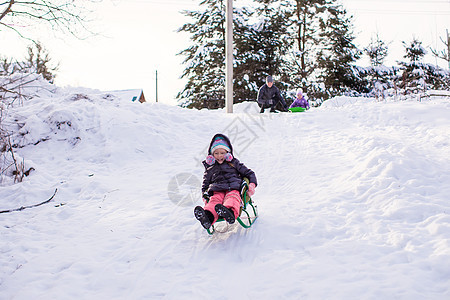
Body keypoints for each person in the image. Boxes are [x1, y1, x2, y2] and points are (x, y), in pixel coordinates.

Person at [194, 133, 257, 230]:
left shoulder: (234, 163)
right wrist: (204, 194)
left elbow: (250, 173)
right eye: (216, 153)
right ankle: (207, 217)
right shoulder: (210, 167)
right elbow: (205, 184)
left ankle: (229, 212)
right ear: (212, 155)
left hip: (233, 188)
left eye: (222, 153)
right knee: (214, 201)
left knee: (232, 197)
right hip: (217, 190)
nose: (219, 156)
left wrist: (251, 185)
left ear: (228, 153)